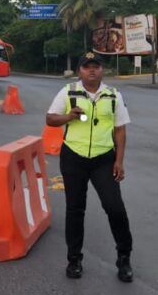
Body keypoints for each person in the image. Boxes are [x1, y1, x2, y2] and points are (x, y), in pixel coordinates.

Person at [45, 52, 133, 282]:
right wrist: (68, 116)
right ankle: (74, 260)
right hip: (73, 156)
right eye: (86, 67)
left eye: (96, 66)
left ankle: (124, 258)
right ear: (79, 71)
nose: (92, 70)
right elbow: (50, 119)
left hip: (104, 159)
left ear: (102, 70)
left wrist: (119, 160)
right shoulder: (68, 92)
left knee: (115, 208)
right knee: (75, 209)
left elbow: (120, 129)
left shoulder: (113, 95)